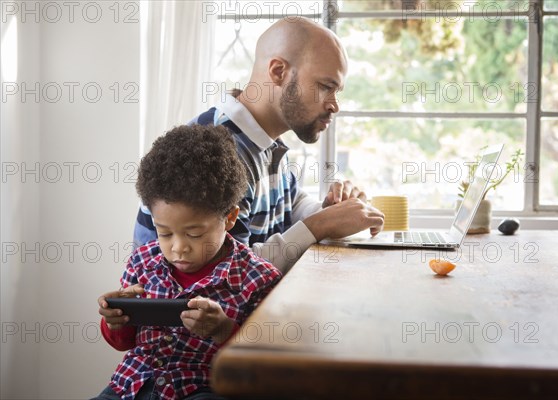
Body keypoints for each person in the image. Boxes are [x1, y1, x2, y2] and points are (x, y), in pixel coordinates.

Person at [134, 16, 385, 274]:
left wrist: (331, 210)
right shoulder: (217, 152)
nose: (334, 105)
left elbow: (289, 202)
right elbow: (230, 273)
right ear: (278, 72)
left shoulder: (264, 139)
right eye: (324, 87)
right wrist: (320, 225)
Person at [94, 125, 282, 400]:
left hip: (202, 389)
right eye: (165, 233)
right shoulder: (142, 262)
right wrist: (116, 321)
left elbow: (263, 364)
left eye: (195, 234)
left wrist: (223, 330)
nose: (178, 247)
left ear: (230, 218)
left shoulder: (258, 279)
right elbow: (124, 343)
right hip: (130, 387)